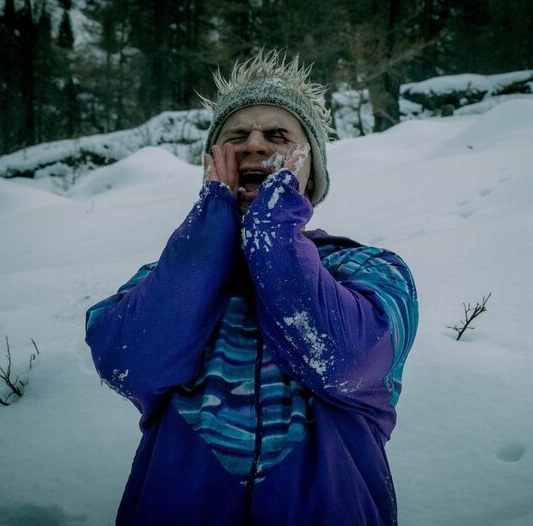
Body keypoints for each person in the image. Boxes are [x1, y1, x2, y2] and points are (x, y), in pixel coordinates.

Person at [85, 50, 419, 525]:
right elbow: (128, 363)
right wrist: (210, 225)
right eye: (236, 137)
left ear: (311, 172)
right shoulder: (161, 276)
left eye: (277, 136)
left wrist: (274, 227)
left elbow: (345, 362)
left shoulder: (371, 270)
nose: (254, 146)